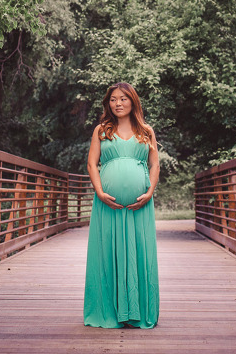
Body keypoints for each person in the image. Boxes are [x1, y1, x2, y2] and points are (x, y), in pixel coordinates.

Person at [83, 82, 160, 329]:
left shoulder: (146, 131)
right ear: (108, 103)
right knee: (107, 254)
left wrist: (149, 192)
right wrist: (100, 192)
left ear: (133, 101)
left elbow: (154, 165)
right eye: (114, 99)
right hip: (108, 205)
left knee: (141, 253)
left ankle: (139, 311)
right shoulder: (101, 130)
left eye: (123, 98)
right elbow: (92, 164)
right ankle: (111, 311)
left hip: (140, 207)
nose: (118, 103)